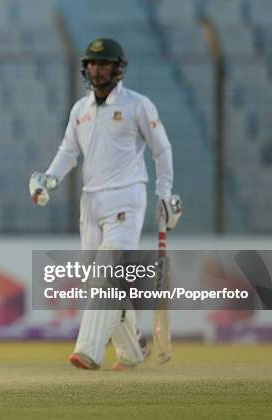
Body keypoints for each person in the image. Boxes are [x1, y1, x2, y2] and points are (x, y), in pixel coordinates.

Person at [29, 38, 179, 370]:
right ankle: (132, 350)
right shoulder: (80, 110)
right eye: (93, 64)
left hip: (127, 196)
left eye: (105, 64)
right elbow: (68, 152)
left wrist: (164, 194)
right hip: (91, 202)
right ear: (86, 69)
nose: (98, 69)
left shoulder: (138, 105)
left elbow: (162, 150)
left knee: (106, 272)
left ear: (118, 68)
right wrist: (49, 180)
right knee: (96, 279)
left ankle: (89, 349)